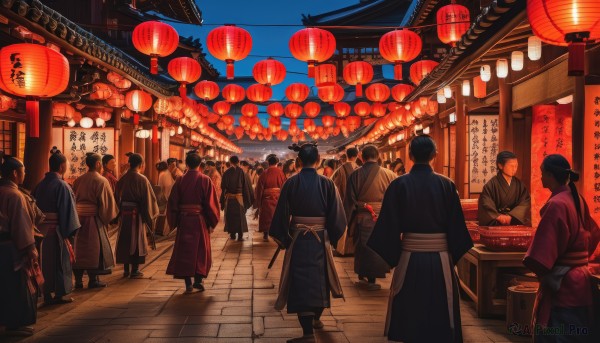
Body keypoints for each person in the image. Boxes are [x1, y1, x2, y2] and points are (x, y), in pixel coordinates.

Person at [368, 135, 473, 342]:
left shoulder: (399, 185)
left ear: (410, 155)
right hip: (441, 259)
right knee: (441, 311)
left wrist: (395, 255)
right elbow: (457, 228)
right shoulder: (447, 185)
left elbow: (386, 227)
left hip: (409, 257)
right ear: (434, 155)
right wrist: (452, 252)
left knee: (410, 309)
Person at [270, 143, 347, 343]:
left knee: (301, 281)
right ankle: (316, 319)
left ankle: (307, 331)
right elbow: (338, 217)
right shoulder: (327, 183)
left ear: (298, 161)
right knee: (321, 278)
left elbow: (280, 215)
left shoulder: (291, 183)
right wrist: (331, 237)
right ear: (319, 161)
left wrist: (284, 238)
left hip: (298, 238)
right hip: (320, 239)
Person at [523, 154, 600, 342]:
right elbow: (594, 232)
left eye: (542, 173)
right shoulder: (577, 199)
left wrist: (537, 266)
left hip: (563, 284)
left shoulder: (557, 204)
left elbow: (541, 255)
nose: (540, 177)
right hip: (581, 279)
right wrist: (578, 259)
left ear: (550, 175)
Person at [0, 156, 43, 336]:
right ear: (15, 173)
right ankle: (14, 324)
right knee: (15, 286)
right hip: (12, 247)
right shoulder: (15, 195)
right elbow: (22, 226)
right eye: (23, 171)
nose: (25, 174)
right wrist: (30, 249)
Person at [166, 150, 220, 293]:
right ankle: (198, 280)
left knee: (185, 251)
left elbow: (172, 203)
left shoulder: (180, 180)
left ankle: (188, 284)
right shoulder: (205, 180)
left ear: (187, 164)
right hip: (199, 220)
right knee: (200, 250)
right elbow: (211, 204)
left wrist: (175, 221)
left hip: (184, 220)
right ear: (200, 164)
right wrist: (211, 222)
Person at [344, 145, 396, 290]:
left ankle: (364, 275)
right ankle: (371, 278)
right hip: (383, 218)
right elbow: (395, 200)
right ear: (378, 156)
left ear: (362, 157)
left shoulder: (355, 175)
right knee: (378, 246)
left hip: (362, 217)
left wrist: (347, 221)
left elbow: (349, 201)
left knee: (363, 247)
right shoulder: (390, 175)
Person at [32, 147, 80, 305]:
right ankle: (59, 293)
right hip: (57, 230)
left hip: (41, 230)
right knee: (59, 261)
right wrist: (70, 231)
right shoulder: (62, 186)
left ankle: (46, 294)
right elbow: (68, 211)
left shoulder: (40, 185)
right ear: (61, 167)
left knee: (45, 262)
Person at [72, 153, 117, 288]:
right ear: (98, 164)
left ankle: (79, 281)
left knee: (78, 250)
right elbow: (107, 204)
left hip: (78, 219)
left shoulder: (78, 180)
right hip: (93, 219)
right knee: (94, 249)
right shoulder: (101, 181)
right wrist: (106, 219)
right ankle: (93, 279)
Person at [115, 153, 159, 278]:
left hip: (124, 214)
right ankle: (134, 270)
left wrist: (118, 213)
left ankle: (126, 270)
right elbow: (148, 200)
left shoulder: (122, 178)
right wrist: (148, 216)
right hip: (136, 214)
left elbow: (116, 197)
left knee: (124, 240)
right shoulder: (142, 179)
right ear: (141, 165)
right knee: (136, 240)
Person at [478, 151, 531, 226]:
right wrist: (498, 217)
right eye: (511, 166)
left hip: (514, 220)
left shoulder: (519, 185)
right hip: (497, 222)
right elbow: (486, 203)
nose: (514, 169)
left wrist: (511, 216)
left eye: (516, 166)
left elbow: (525, 202)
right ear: (500, 165)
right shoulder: (491, 185)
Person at [331, 147, 359, 255]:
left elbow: (333, 185)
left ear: (346, 156)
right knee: (354, 227)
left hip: (342, 203)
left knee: (343, 226)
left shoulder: (340, 170)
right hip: (357, 203)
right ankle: (353, 249)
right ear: (357, 156)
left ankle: (342, 249)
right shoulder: (359, 169)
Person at [221, 156, 254, 241]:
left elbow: (223, 187)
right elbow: (245, 186)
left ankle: (232, 234)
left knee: (230, 216)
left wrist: (222, 200)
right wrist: (248, 198)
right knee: (240, 216)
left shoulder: (226, 172)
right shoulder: (242, 172)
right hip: (239, 198)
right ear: (238, 161)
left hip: (230, 198)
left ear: (230, 162)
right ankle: (240, 234)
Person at [255, 154, 286, 241]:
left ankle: (266, 234)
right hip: (278, 198)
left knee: (266, 216)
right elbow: (284, 186)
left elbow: (259, 188)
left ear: (268, 163)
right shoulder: (281, 173)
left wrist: (258, 201)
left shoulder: (264, 173)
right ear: (277, 163)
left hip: (266, 198)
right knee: (276, 216)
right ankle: (276, 234)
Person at [156, 161, 172, 236]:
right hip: (169, 195)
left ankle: (161, 230)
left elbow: (160, 187)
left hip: (165, 196)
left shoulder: (161, 174)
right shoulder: (168, 173)